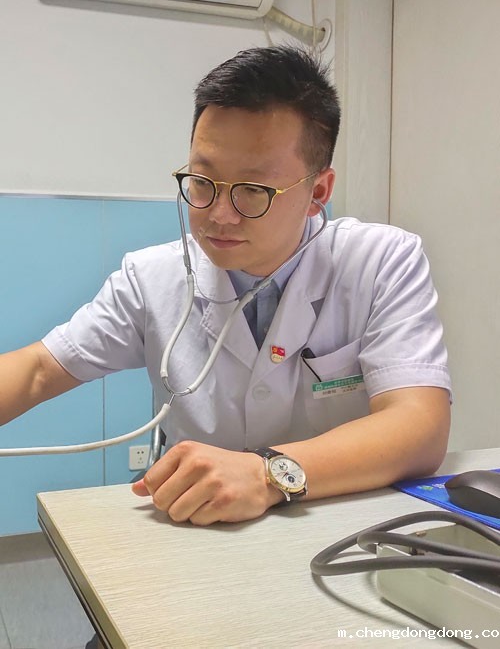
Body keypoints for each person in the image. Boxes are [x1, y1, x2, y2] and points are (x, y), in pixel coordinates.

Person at [0, 45, 451, 527]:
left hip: (336, 526)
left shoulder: (381, 262)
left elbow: (419, 428)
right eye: (202, 181)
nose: (219, 214)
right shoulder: (152, 278)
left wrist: (266, 474)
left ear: (317, 192)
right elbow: (39, 370)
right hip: (198, 529)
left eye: (253, 191)